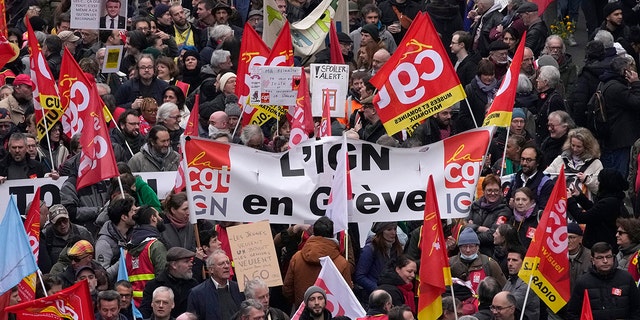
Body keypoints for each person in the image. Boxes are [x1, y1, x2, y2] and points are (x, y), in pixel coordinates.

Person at [283, 216, 352, 307]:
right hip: (330, 312)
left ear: (313, 232)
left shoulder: (297, 257)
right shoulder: (342, 263)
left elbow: (287, 289)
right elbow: (346, 294)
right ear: (332, 235)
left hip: (303, 311)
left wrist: (300, 303)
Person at [566, 242, 640, 319]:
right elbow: (572, 313)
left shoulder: (626, 278)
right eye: (600, 257)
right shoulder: (583, 282)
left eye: (608, 257)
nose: (605, 261)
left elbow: (636, 309)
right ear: (593, 260)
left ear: (613, 258)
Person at [567, 169, 630, 250]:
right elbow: (594, 210)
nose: (597, 183)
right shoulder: (613, 199)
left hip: (601, 247)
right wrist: (579, 196)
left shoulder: (609, 203)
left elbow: (582, 217)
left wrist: (570, 200)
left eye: (599, 181)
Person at [599, 55, 640, 177]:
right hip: (620, 139)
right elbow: (637, 103)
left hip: (611, 136)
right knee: (618, 175)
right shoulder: (617, 88)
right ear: (625, 71)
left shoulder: (606, 83)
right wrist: (636, 83)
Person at [449, 228, 506, 314]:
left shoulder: (489, 263)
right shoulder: (450, 263)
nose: (468, 250)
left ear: (477, 247)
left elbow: (503, 287)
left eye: (471, 246)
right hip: (456, 312)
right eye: (464, 246)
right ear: (459, 247)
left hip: (482, 310)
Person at [126, 206, 168, 307]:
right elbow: (163, 277)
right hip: (154, 304)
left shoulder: (129, 246)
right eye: (158, 215)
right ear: (153, 218)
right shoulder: (155, 246)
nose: (161, 219)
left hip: (133, 305)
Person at [140, 247, 198, 319]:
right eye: (186, 261)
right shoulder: (154, 285)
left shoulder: (193, 285)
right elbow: (145, 312)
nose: (191, 264)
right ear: (174, 265)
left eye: (191, 261)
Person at [545, 127, 603, 198]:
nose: (575, 149)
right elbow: (545, 179)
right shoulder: (560, 160)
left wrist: (587, 180)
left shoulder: (596, 164)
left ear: (587, 146)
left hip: (583, 206)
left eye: (579, 146)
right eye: (573, 145)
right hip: (560, 203)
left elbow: (600, 190)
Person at [187, 250, 244, 320]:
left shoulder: (239, 288)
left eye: (227, 263)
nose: (226, 266)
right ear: (211, 269)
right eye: (221, 264)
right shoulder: (197, 293)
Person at [39, 204, 94, 274]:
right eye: (58, 222)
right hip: (57, 274)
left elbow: (92, 253)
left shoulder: (82, 232)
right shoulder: (46, 235)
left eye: (64, 220)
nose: (62, 224)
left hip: (81, 272)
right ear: (52, 224)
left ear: (68, 218)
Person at [466, 174, 511, 256]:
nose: (493, 193)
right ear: (483, 190)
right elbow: (463, 226)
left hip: (490, 255)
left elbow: (492, 235)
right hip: (470, 253)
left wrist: (470, 233)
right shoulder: (475, 206)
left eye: (496, 190)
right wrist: (479, 228)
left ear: (500, 190)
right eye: (489, 190)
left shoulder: (504, 211)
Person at [356, 222, 403, 297]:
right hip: (373, 296)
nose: (393, 232)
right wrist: (378, 290)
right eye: (389, 229)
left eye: (395, 229)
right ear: (381, 231)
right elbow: (360, 276)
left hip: (391, 293)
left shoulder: (397, 249)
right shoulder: (370, 249)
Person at [96, 195, 136, 282]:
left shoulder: (134, 233)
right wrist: (123, 260)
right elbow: (102, 277)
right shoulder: (104, 243)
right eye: (133, 211)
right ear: (124, 217)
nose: (136, 212)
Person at [506, 145, 554, 212]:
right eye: (522, 159)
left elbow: (543, 210)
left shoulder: (546, 184)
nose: (524, 163)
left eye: (529, 160)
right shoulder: (516, 179)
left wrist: (522, 208)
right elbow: (507, 201)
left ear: (537, 162)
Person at [457, 59, 498, 132]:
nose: (489, 78)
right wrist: (477, 128)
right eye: (486, 75)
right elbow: (463, 116)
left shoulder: (499, 88)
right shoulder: (470, 90)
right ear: (480, 74)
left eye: (491, 74)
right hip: (477, 132)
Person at [502, 247, 539, 320]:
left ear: (524, 262)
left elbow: (508, 305)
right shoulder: (511, 279)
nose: (510, 264)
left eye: (514, 260)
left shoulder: (528, 283)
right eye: (508, 260)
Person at [533, 66, 566, 144]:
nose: (537, 80)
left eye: (539, 77)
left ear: (545, 82)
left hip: (550, 142)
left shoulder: (555, 100)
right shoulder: (543, 96)